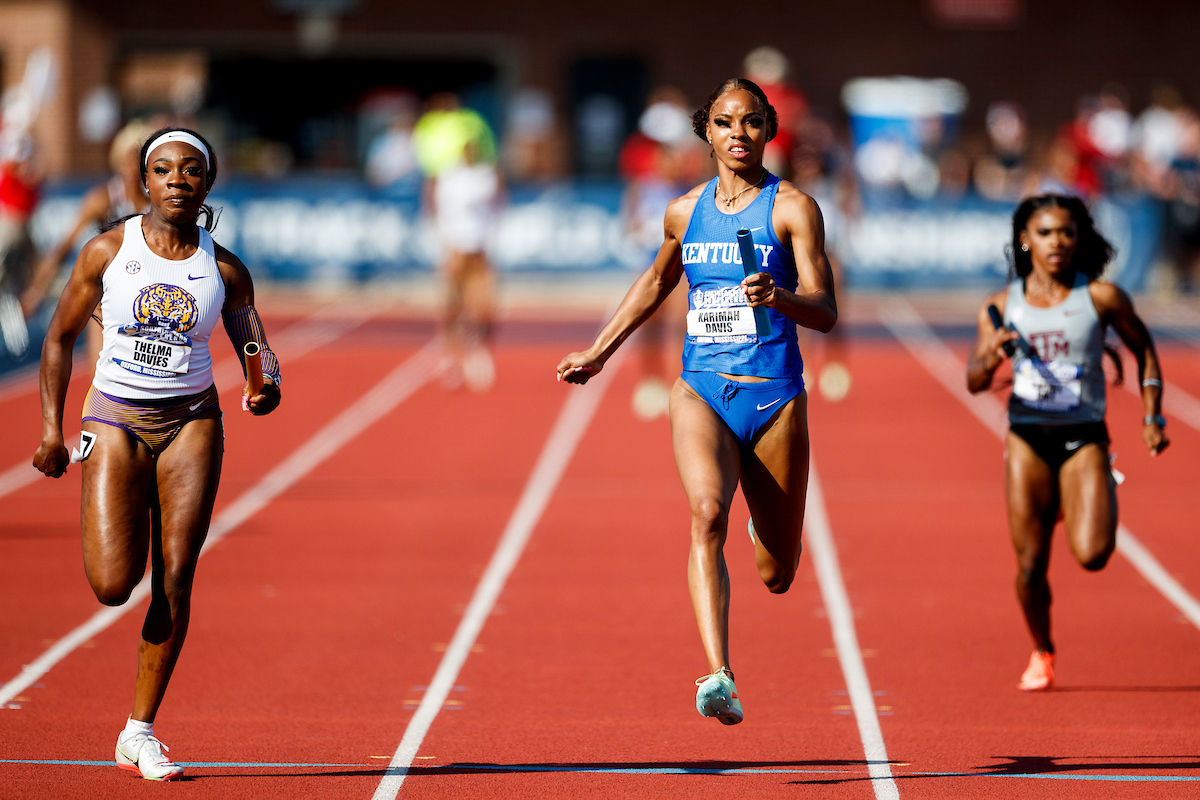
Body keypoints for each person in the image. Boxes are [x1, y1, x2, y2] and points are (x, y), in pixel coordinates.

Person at [557, 78, 836, 724]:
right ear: (706, 132)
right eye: (725, 123)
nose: (739, 133)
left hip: (774, 398)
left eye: (752, 122)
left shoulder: (793, 209)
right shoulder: (684, 212)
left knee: (779, 572)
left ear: (770, 130)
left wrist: (782, 299)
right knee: (706, 513)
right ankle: (720, 675)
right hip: (702, 388)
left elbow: (824, 309)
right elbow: (657, 280)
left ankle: (766, 530)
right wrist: (601, 350)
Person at [31, 127, 282, 779]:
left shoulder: (224, 269)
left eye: (190, 170)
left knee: (175, 576)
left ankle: (139, 732)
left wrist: (265, 385)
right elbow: (58, 339)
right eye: (164, 169)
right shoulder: (108, 252)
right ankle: (123, 500)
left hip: (192, 421)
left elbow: (251, 337)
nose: (177, 179)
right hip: (115, 417)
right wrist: (51, 432)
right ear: (144, 182)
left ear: (207, 183)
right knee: (115, 585)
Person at [966, 193, 1168, 692]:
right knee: (1031, 566)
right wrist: (990, 356)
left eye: (1066, 232)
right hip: (1029, 441)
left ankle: (1089, 486)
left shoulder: (1101, 297)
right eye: (1046, 232)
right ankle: (1042, 650)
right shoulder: (998, 307)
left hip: (1083, 438)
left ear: (1079, 239)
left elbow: (1144, 351)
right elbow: (973, 381)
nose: (1057, 242)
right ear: (1024, 239)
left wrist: (1152, 415)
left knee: (1094, 554)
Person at [22, 121, 155, 367]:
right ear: (118, 160)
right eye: (128, 158)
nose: (132, 166)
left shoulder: (156, 201)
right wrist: (35, 292)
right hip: (105, 296)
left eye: (139, 159)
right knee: (102, 370)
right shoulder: (103, 198)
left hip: (145, 296)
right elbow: (64, 247)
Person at [429, 134, 501, 391]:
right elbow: (433, 202)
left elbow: (498, 201)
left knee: (484, 308)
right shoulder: (449, 176)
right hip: (455, 249)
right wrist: (443, 236)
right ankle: (451, 357)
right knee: (451, 307)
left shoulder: (486, 176)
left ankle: (478, 353)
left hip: (478, 251)